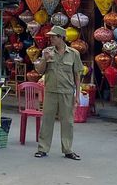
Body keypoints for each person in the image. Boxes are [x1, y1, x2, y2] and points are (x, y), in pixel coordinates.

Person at [33, 25, 83, 160]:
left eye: (53, 37)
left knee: (67, 122)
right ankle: (42, 148)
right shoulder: (47, 52)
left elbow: (77, 75)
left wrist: (77, 95)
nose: (51, 39)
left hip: (67, 92)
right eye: (50, 37)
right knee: (47, 121)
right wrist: (45, 59)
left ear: (61, 38)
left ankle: (68, 149)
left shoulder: (73, 54)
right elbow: (40, 71)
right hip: (50, 91)